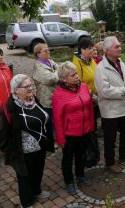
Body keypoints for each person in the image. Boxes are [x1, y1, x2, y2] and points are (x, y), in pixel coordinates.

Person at [0, 74, 52, 208]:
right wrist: (9, 152)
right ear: (16, 90)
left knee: (38, 170)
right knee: (25, 176)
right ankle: (26, 202)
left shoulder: (34, 100)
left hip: (40, 146)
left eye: (31, 85)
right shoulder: (10, 108)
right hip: (24, 151)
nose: (31, 88)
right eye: (26, 86)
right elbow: (3, 134)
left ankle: (36, 191)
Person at [94, 36, 125, 174]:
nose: (120, 48)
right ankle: (110, 162)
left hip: (123, 107)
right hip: (110, 110)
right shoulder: (101, 68)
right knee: (110, 138)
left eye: (119, 46)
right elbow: (105, 91)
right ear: (107, 51)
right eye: (117, 47)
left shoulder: (121, 63)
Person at [52, 61, 95, 195]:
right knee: (68, 158)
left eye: (76, 73)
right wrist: (60, 139)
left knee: (81, 155)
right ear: (64, 79)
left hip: (85, 130)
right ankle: (69, 181)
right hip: (69, 134)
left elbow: (89, 108)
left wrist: (91, 126)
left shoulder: (83, 87)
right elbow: (57, 119)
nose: (77, 76)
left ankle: (80, 174)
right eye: (72, 75)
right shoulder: (58, 95)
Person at [32, 43, 59, 142]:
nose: (48, 52)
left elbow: (60, 68)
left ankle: (59, 139)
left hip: (54, 96)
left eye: (48, 50)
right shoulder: (38, 67)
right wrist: (57, 72)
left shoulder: (49, 61)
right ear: (38, 54)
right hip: (46, 99)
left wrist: (57, 72)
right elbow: (50, 79)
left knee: (57, 119)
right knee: (49, 122)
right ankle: (52, 143)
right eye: (45, 50)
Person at [72, 37, 99, 131]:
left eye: (92, 48)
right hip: (86, 98)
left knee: (94, 119)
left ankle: (93, 134)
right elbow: (78, 83)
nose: (92, 50)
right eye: (89, 48)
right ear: (82, 50)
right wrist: (91, 94)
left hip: (96, 97)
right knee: (88, 121)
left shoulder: (91, 61)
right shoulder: (77, 64)